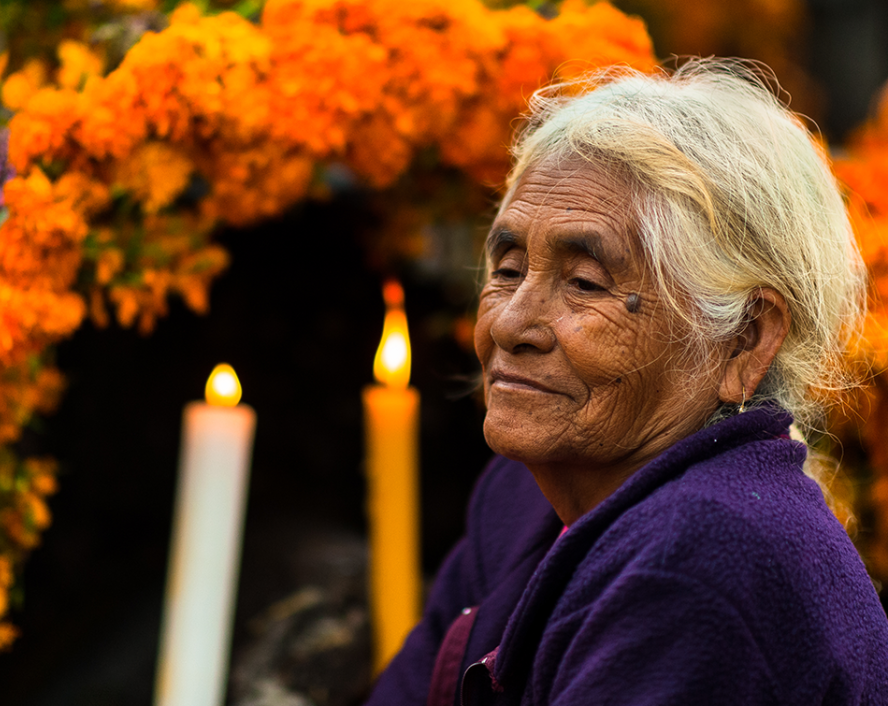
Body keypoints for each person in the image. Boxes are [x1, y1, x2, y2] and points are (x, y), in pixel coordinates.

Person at [364, 59, 888, 706]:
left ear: (746, 338)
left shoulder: (701, 561)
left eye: (584, 284)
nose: (509, 324)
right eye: (507, 267)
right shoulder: (524, 499)